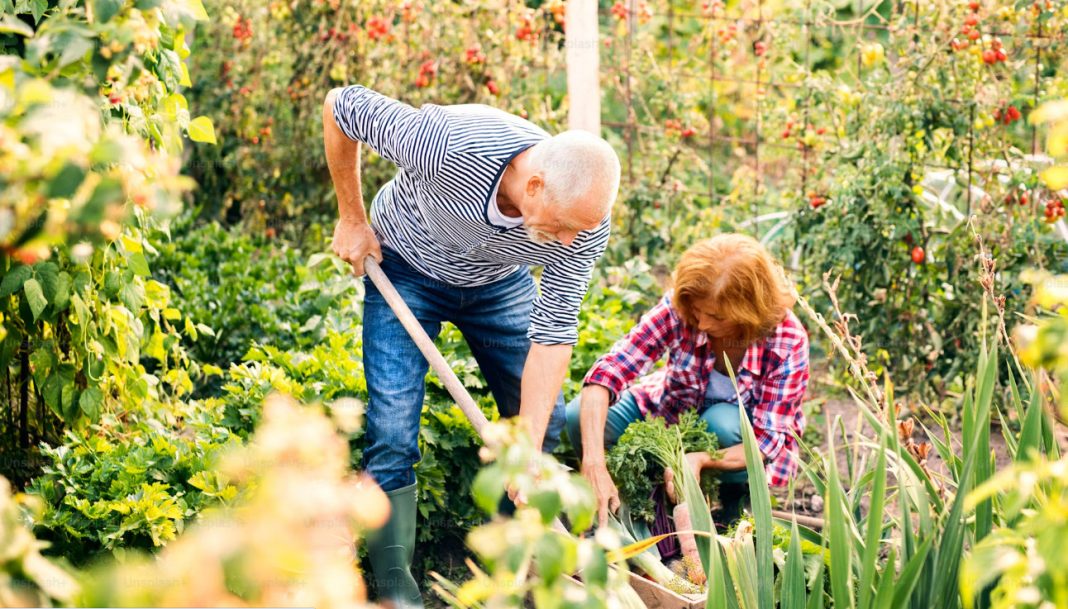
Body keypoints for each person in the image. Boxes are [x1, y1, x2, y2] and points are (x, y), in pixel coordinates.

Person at [322, 84, 621, 608]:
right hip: (406, 266)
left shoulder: (583, 219)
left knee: (540, 425)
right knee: (392, 429)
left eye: (582, 231)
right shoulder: (447, 144)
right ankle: (396, 587)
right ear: (533, 186)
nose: (572, 242)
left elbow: (552, 335)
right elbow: (339, 106)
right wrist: (351, 216)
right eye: (566, 228)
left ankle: (507, 571)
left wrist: (525, 447)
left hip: (497, 283)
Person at [567, 234, 810, 527]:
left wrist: (700, 458)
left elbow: (766, 442)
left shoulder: (786, 340)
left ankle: (734, 500)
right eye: (698, 312)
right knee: (578, 414)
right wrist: (594, 460)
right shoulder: (681, 308)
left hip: (734, 446)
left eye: (717, 317)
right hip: (669, 414)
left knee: (721, 423)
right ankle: (631, 492)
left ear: (749, 311)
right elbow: (608, 372)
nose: (704, 324)